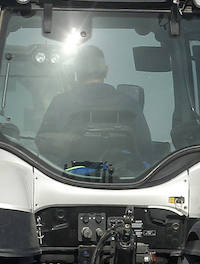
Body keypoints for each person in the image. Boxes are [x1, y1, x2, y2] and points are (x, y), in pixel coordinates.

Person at [36, 44, 152, 173]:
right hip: (126, 182)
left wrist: (71, 139)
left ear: (77, 72)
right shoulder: (129, 104)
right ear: (106, 71)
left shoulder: (60, 103)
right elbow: (145, 150)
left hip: (66, 182)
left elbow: (43, 146)